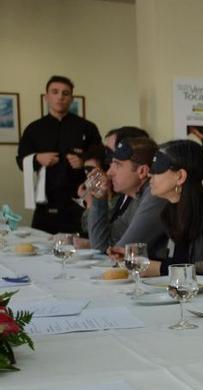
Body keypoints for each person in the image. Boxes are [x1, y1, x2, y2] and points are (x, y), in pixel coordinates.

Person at [131, 140, 203, 280]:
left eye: (158, 167)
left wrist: (153, 267)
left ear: (180, 176)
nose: (149, 175)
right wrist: (138, 259)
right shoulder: (172, 209)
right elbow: (181, 261)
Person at [16, 75, 102, 234]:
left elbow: (101, 157)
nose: (60, 97)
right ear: (46, 97)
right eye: (55, 92)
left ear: (71, 98)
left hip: (80, 201)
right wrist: (37, 158)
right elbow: (21, 161)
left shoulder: (87, 128)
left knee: (81, 249)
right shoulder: (33, 129)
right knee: (41, 247)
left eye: (65, 93)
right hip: (46, 202)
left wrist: (83, 161)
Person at [86, 137, 168, 257]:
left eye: (118, 165)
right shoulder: (136, 197)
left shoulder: (155, 196)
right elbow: (100, 248)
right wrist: (99, 198)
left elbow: (119, 253)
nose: (109, 172)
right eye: (111, 164)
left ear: (142, 171)